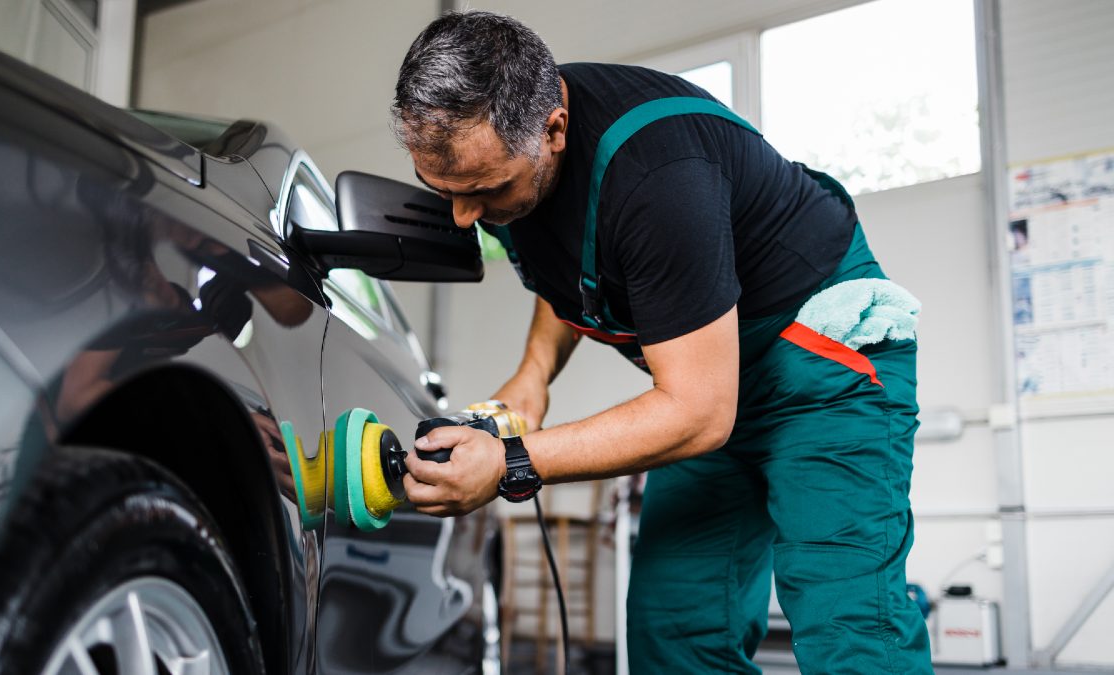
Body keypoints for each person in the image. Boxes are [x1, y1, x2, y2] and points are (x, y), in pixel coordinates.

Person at [391, 10, 932, 674]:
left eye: (484, 191)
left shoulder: (658, 171)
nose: (464, 217)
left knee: (851, 629)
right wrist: (534, 373)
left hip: (822, 356)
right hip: (713, 377)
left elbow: (699, 411)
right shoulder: (509, 166)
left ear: (554, 131)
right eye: (443, 191)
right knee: (676, 628)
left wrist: (511, 460)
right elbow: (571, 265)